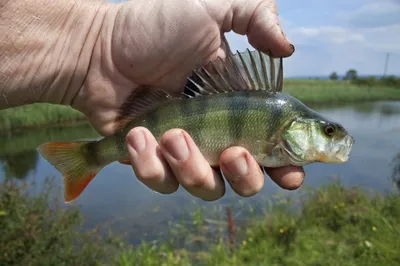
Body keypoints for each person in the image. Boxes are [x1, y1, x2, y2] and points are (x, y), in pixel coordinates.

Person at [0, 0, 304, 201]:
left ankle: (89, 157)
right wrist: (94, 42)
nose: (334, 136)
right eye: (327, 131)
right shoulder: (279, 113)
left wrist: (92, 42)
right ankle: (88, 157)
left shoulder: (280, 109)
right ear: (296, 128)